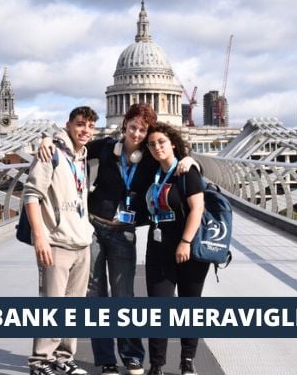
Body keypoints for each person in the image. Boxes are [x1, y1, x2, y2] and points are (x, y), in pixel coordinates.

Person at [39, 104, 195, 375]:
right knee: (96, 295)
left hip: (124, 232)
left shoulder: (149, 157)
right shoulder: (107, 147)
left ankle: (132, 356)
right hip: (94, 228)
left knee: (124, 294)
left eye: (142, 129)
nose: (136, 133)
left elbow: (175, 157)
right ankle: (106, 359)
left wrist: (191, 161)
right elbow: (73, 143)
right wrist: (45, 139)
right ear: (124, 125)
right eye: (132, 127)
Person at [24, 106, 99, 375]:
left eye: (90, 126)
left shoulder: (82, 156)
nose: (85, 131)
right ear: (68, 124)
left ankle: (63, 358)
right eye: (80, 124)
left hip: (81, 241)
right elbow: (31, 195)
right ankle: (40, 363)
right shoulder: (51, 152)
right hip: (55, 241)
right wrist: (40, 237)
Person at [143, 123, 209, 375]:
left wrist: (185, 242)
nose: (157, 147)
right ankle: (157, 364)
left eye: (161, 142)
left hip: (187, 248)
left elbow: (198, 209)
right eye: (152, 144)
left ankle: (188, 360)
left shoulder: (186, 171)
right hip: (158, 247)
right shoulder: (151, 171)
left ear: (172, 142)